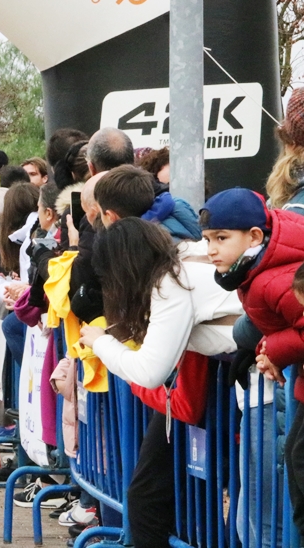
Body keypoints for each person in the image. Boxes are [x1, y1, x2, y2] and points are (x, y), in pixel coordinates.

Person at [78, 217, 240, 548]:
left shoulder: (171, 284)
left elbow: (149, 371)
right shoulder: (183, 259)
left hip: (256, 387)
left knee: (250, 520)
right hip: (244, 385)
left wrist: (100, 343)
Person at [198, 188, 304, 543]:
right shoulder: (260, 267)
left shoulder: (272, 278)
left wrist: (273, 348)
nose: (211, 249)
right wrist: (267, 347)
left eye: (221, 238)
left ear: (255, 236)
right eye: (207, 239)